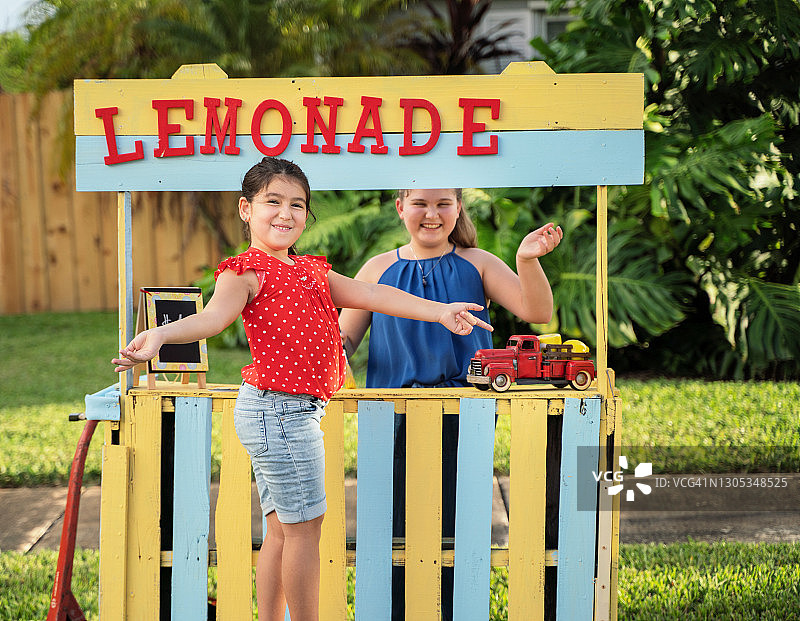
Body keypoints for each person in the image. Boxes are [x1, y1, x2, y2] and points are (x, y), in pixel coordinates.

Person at [112, 161, 492, 621]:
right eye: (273, 201)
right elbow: (211, 319)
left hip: (290, 414)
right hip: (280, 413)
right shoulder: (246, 271)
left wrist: (438, 312)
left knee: (283, 530)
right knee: (305, 530)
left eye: (297, 205)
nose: (285, 213)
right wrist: (159, 335)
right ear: (245, 209)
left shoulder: (311, 271)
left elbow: (374, 296)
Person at [338, 188, 562, 621]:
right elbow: (344, 339)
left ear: (458, 207)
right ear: (401, 206)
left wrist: (527, 260)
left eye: (443, 203)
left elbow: (538, 311)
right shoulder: (378, 268)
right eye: (420, 203)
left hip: (465, 416)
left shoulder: (478, 263)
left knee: (459, 528)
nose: (432, 214)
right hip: (392, 418)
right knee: (395, 528)